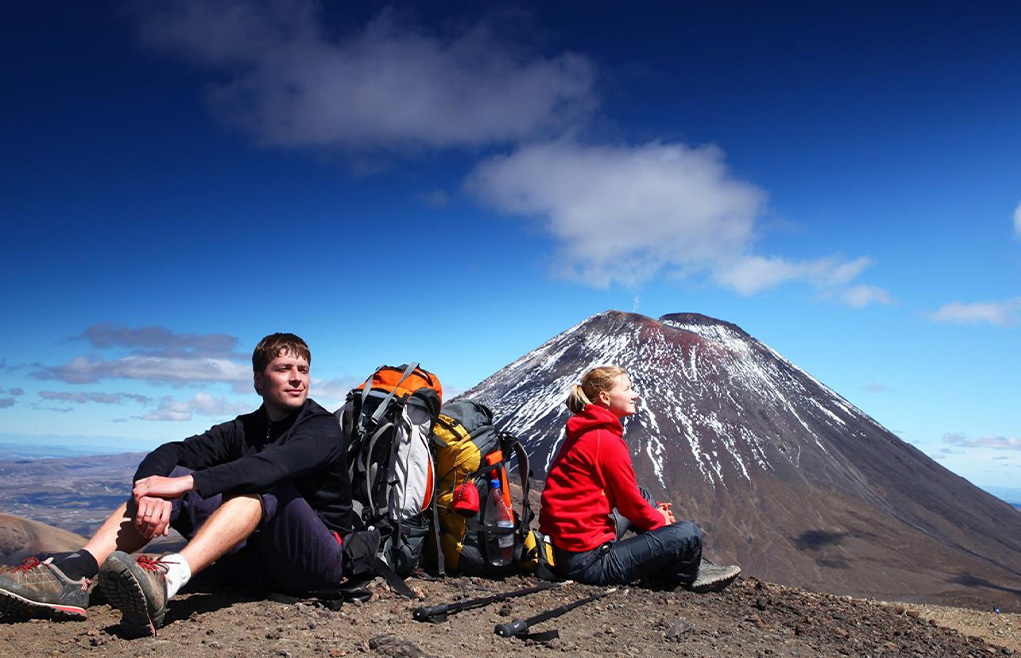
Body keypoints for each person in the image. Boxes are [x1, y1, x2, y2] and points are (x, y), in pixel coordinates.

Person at [0, 333, 352, 636]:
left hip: (312, 563)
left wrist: (188, 483)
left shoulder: (321, 429)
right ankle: (73, 575)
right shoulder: (244, 428)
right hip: (251, 563)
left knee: (264, 486)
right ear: (259, 381)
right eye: (283, 369)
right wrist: (149, 488)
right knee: (169, 476)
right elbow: (175, 450)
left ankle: (166, 583)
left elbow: (270, 466)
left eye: (303, 371)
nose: (297, 379)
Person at [538, 365, 741, 591]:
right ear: (605, 397)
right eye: (627, 389)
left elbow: (631, 498)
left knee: (642, 493)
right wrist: (660, 521)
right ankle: (683, 574)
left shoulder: (586, 432)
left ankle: (673, 556)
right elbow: (629, 505)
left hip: (565, 550)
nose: (634, 394)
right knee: (689, 533)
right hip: (588, 562)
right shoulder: (605, 440)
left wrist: (653, 516)